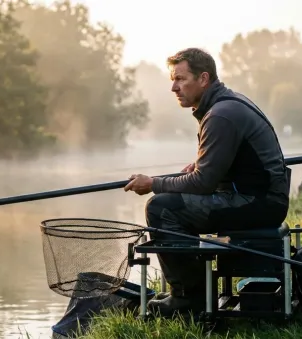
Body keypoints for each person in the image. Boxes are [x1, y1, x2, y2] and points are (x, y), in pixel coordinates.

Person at [123, 48, 290, 315]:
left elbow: (202, 184)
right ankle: (192, 289)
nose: (174, 88)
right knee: (170, 200)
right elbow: (217, 169)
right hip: (262, 197)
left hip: (259, 203)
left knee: (160, 208)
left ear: (203, 78)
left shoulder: (221, 115)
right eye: (172, 80)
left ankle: (189, 298)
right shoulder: (224, 104)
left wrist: (153, 183)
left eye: (180, 79)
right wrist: (199, 166)